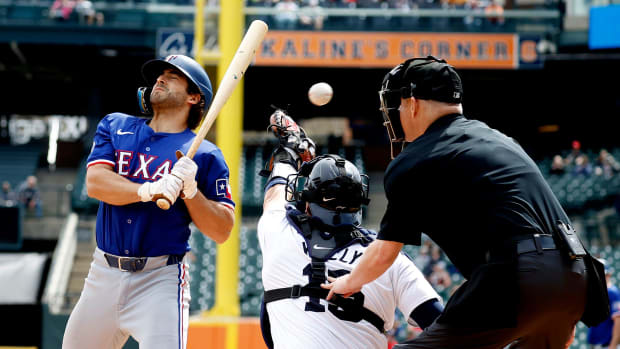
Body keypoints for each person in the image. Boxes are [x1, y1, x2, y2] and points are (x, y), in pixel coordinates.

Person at [323, 56, 606, 348]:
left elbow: (384, 253)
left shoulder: (413, 161)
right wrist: (561, 306)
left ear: (413, 103)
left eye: (396, 104)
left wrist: (348, 282)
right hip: (575, 280)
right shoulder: (503, 141)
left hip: (518, 279)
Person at [62, 55, 235, 349]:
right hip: (103, 272)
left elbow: (222, 230)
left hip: (160, 279)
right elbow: (96, 183)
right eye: (159, 75)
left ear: (194, 97)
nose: (160, 79)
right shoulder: (116, 126)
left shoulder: (205, 155)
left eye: (173, 76)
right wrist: (149, 189)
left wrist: (191, 191)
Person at [257, 110, 443, 349]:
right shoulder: (388, 257)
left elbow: (275, 192)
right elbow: (439, 322)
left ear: (308, 200)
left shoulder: (278, 229)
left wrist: (289, 151)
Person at [588, 259, 620, 349]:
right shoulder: (597, 293)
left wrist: (613, 345)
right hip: (595, 345)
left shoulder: (612, 292)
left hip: (607, 345)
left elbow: (618, 321)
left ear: (608, 275)